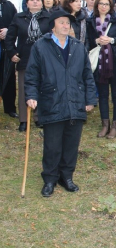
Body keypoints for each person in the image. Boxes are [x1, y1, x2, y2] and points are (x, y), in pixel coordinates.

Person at [24, 11, 96, 197]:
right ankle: (49, 179)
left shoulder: (78, 47)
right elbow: (32, 75)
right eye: (62, 22)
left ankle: (67, 177)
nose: (66, 25)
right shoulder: (41, 46)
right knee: (52, 145)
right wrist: (31, 95)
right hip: (52, 102)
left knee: (71, 144)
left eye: (68, 23)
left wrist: (89, 99)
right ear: (53, 26)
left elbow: (87, 75)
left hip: (75, 102)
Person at [5, 0, 51, 131]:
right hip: (24, 57)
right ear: (27, 3)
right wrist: (12, 53)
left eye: (38, 0)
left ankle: (39, 118)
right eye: (32, 0)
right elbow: (10, 37)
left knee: (42, 88)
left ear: (42, 3)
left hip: (44, 58)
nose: (35, 2)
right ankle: (24, 120)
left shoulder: (48, 17)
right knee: (25, 89)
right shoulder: (19, 18)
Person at [86, 0, 116, 139]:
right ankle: (105, 125)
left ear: (110, 6)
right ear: (97, 5)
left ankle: (115, 126)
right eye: (101, 4)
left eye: (106, 4)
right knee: (103, 96)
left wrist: (111, 40)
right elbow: (87, 42)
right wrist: (97, 41)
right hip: (99, 64)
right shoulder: (90, 21)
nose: (104, 6)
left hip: (115, 63)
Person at [0, 0, 18, 118]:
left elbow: (15, 23)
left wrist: (8, 31)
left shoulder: (8, 5)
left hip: (6, 47)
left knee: (9, 77)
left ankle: (10, 107)